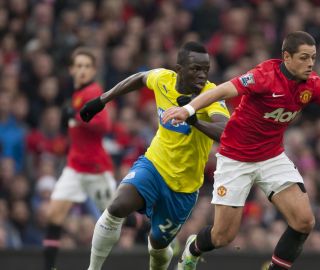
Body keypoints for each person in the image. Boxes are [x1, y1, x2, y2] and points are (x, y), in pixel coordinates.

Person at [163, 31, 320, 270]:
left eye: (313, 58)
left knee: (304, 221)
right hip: (236, 158)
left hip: (271, 157)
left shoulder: (313, 84)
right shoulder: (264, 76)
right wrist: (189, 110)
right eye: (304, 58)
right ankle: (193, 248)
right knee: (223, 237)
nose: (310, 64)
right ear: (287, 57)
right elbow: (223, 90)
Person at [79, 41, 230, 270]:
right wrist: (102, 100)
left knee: (157, 245)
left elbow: (226, 132)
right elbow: (139, 78)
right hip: (154, 166)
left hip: (183, 188)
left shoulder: (211, 95)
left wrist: (193, 118)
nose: (202, 76)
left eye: (206, 70)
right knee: (117, 206)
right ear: (179, 70)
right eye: (195, 69)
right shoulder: (163, 79)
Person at [43, 48, 116, 270]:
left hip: (95, 169)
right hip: (75, 167)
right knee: (54, 215)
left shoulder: (94, 92)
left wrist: (75, 117)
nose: (82, 70)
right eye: (79, 65)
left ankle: (151, 225)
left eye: (87, 66)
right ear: (71, 69)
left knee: (121, 218)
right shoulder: (77, 94)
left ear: (93, 70)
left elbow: (104, 126)